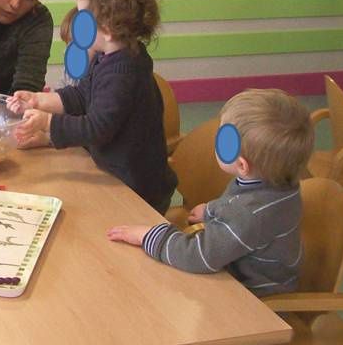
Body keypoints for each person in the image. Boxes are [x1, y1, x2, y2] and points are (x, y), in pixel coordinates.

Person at [107, 89, 314, 297]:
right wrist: (211, 210)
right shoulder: (278, 183)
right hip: (250, 272)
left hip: (254, 298)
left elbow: (199, 256)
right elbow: (237, 206)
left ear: (242, 165)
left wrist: (148, 236)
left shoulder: (247, 214)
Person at [10, 0, 177, 213]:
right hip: (116, 175)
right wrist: (39, 100)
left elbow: (98, 128)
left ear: (107, 29)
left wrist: (48, 122)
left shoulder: (123, 72)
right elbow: (80, 96)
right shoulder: (109, 58)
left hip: (136, 191)